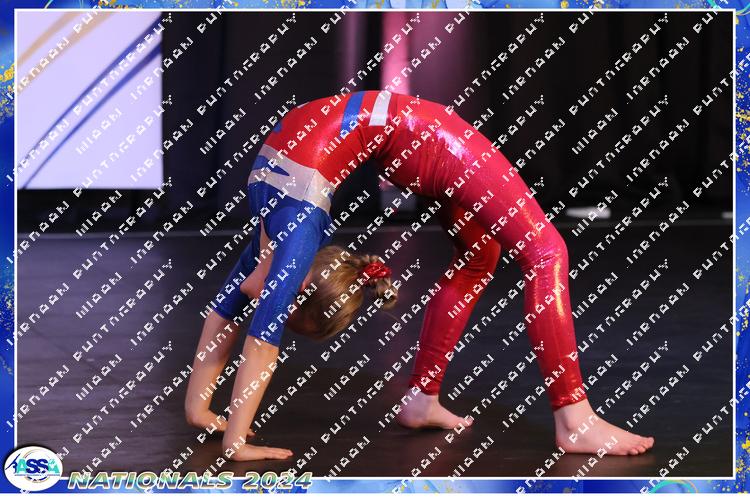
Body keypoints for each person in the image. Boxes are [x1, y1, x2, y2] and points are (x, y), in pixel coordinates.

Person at [184, 90, 655, 461]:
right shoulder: (279, 222)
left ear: (301, 285)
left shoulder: (293, 233)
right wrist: (202, 412)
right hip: (414, 140)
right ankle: (554, 416)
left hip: (424, 139)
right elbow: (234, 314)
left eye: (280, 300)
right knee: (524, 253)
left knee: (527, 253)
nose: (270, 300)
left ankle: (551, 415)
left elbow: (258, 339)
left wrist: (230, 436)